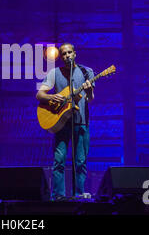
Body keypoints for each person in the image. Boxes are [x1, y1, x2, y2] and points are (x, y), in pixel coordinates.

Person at [36, 43, 94, 201]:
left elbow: (89, 98)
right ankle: (59, 196)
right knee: (59, 160)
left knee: (80, 161)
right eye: (64, 54)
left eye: (70, 52)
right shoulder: (54, 73)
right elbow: (40, 94)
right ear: (60, 57)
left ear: (75, 53)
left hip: (81, 122)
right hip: (61, 123)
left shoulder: (86, 71)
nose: (67, 55)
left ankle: (79, 194)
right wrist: (51, 97)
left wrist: (88, 89)